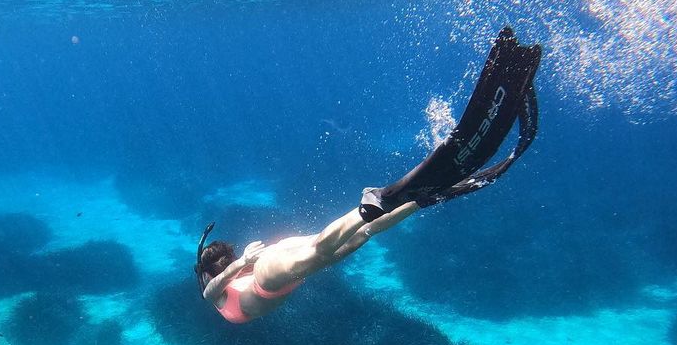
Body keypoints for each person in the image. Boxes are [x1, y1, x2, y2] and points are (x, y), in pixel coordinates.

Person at [196, 27, 542, 325]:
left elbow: (212, 288)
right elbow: (214, 280)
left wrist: (242, 262)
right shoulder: (226, 281)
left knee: (324, 246)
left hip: (269, 277)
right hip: (276, 269)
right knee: (362, 237)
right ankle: (417, 200)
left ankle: (373, 203)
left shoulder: (219, 292)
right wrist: (240, 262)